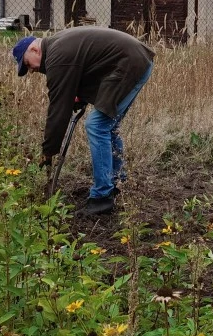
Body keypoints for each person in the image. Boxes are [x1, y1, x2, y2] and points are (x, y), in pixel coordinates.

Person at [13, 26, 155, 216]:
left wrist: (48, 151)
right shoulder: (57, 49)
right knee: (107, 127)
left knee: (97, 125)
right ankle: (117, 181)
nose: (32, 70)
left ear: (34, 50)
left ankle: (102, 197)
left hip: (130, 64)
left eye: (28, 65)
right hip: (134, 60)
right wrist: (80, 97)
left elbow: (58, 109)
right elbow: (90, 68)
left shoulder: (56, 58)